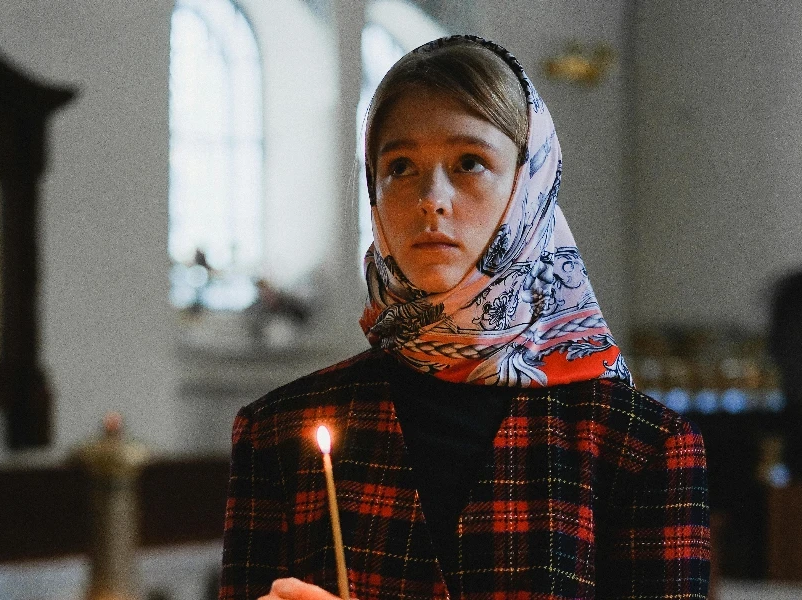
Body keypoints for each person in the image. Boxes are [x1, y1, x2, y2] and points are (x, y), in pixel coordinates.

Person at [219, 35, 710, 600]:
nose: (432, 197)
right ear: (373, 192)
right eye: (400, 165)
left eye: (469, 162)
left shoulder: (640, 446)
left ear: (529, 188)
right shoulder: (278, 431)